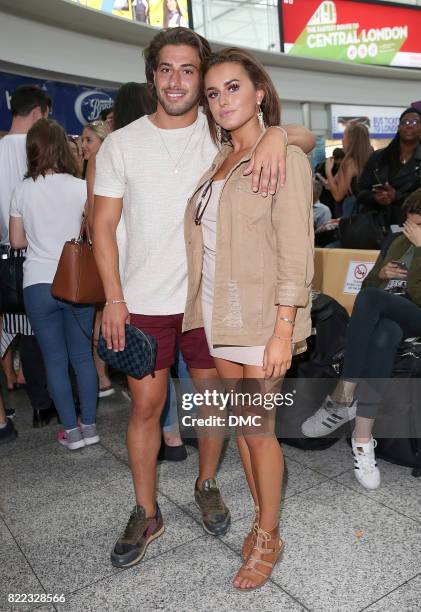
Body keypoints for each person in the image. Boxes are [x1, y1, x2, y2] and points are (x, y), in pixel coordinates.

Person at [93, 26, 315, 570]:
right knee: (149, 407)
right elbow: (100, 227)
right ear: (151, 76)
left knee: (220, 410)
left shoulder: (221, 138)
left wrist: (276, 135)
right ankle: (146, 511)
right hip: (146, 300)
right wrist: (113, 299)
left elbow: (303, 139)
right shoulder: (123, 142)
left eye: (190, 71)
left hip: (214, 307)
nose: (178, 81)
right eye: (166, 69)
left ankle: (209, 484)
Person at [183, 47, 313, 590]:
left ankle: (268, 534)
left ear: (259, 92)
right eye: (212, 93)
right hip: (218, 316)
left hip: (262, 320)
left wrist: (283, 328)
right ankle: (264, 517)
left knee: (260, 433)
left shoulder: (280, 155)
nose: (221, 101)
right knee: (243, 428)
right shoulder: (216, 161)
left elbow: (296, 250)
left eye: (233, 88)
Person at [302, 188, 421, 490]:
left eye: (417, 225)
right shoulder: (395, 241)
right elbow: (369, 284)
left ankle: (343, 394)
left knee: (371, 300)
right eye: (408, 223)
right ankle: (362, 439)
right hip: (388, 316)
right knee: (384, 335)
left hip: (416, 315)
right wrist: (383, 273)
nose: (409, 230)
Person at [9, 119, 98, 450]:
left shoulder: (23, 189)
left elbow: (17, 241)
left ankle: (71, 434)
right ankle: (89, 426)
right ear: (63, 146)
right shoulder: (79, 187)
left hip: (37, 284)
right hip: (77, 282)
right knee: (83, 358)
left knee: (55, 361)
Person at [0, 84, 54, 429]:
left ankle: (34, 405)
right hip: (37, 252)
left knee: (18, 330)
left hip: (4, 254)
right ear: (38, 113)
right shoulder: (38, 148)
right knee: (37, 333)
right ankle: (43, 405)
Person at [82, 121, 113, 398]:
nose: (83, 145)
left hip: (103, 252)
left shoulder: (100, 165)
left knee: (101, 316)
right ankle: (104, 373)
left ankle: (102, 374)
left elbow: (94, 218)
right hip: (108, 253)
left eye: (89, 140)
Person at [357, 107, 421, 227]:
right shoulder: (378, 157)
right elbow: (360, 190)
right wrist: (375, 197)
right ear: (398, 127)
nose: (409, 125)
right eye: (405, 122)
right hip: (377, 224)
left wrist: (397, 197)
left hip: (411, 226)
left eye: (415, 122)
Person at [324, 123, 372, 217]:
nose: (342, 140)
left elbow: (338, 196)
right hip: (369, 214)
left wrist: (328, 171)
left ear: (351, 140)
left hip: (353, 214)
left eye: (343, 137)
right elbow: (333, 184)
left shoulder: (349, 162)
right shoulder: (371, 158)